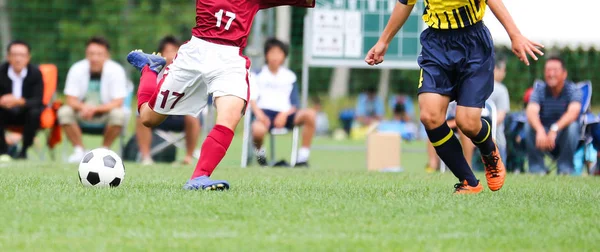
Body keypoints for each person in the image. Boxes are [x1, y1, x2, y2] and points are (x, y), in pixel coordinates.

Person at [126, 0, 315, 191]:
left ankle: (199, 177)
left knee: (229, 116)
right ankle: (150, 68)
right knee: (148, 118)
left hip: (229, 60)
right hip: (194, 55)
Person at [365, 0, 543, 193]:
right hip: (436, 45)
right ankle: (469, 182)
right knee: (429, 116)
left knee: (467, 122)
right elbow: (404, 3)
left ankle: (489, 151)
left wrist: (514, 35)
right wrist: (383, 41)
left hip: (473, 44)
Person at [58, 37, 128, 163]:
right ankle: (80, 150)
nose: (95, 58)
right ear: (86, 54)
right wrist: (83, 108)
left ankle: (104, 151)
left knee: (119, 114)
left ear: (107, 55)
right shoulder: (77, 69)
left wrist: (95, 109)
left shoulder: (116, 70)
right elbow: (70, 99)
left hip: (105, 114)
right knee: (64, 111)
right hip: (81, 113)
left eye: (99, 54)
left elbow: (118, 102)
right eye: (91, 54)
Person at [250, 38, 316, 167]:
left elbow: (294, 104)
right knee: (257, 130)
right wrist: (260, 116)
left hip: (286, 113)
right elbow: (252, 99)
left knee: (310, 115)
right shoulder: (257, 74)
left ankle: (302, 157)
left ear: (284, 56)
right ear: (266, 55)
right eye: (272, 53)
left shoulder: (289, 76)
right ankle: (261, 155)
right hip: (264, 113)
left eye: (278, 53)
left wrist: (284, 115)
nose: (275, 57)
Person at [135, 36, 201, 165]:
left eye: (174, 51)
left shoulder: (188, 72)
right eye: (168, 51)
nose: (171, 55)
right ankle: (146, 157)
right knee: (140, 116)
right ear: (161, 54)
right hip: (158, 112)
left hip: (179, 114)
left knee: (193, 117)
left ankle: (188, 157)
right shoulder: (154, 72)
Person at [525, 56, 582, 175]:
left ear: (564, 73)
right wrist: (540, 130)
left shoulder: (573, 90)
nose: (551, 74)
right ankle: (536, 169)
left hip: (563, 134)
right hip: (543, 133)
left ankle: (565, 170)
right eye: (548, 70)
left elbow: (573, 113)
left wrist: (555, 129)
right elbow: (531, 111)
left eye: (555, 70)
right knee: (528, 125)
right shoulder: (539, 90)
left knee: (573, 127)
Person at [459, 56, 511, 169]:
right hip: (494, 139)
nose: (504, 74)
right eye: (503, 70)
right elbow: (500, 116)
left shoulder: (471, 85)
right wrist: (483, 133)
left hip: (471, 136)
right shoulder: (501, 90)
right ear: (495, 69)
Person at [0, 40, 43, 161]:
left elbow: (38, 100)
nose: (18, 59)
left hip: (26, 114)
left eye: (22, 55)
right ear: (8, 57)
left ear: (28, 57)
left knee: (35, 112)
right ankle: (2, 151)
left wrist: (18, 101)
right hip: (5, 113)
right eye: (14, 55)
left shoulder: (35, 73)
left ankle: (23, 151)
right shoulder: (1, 71)